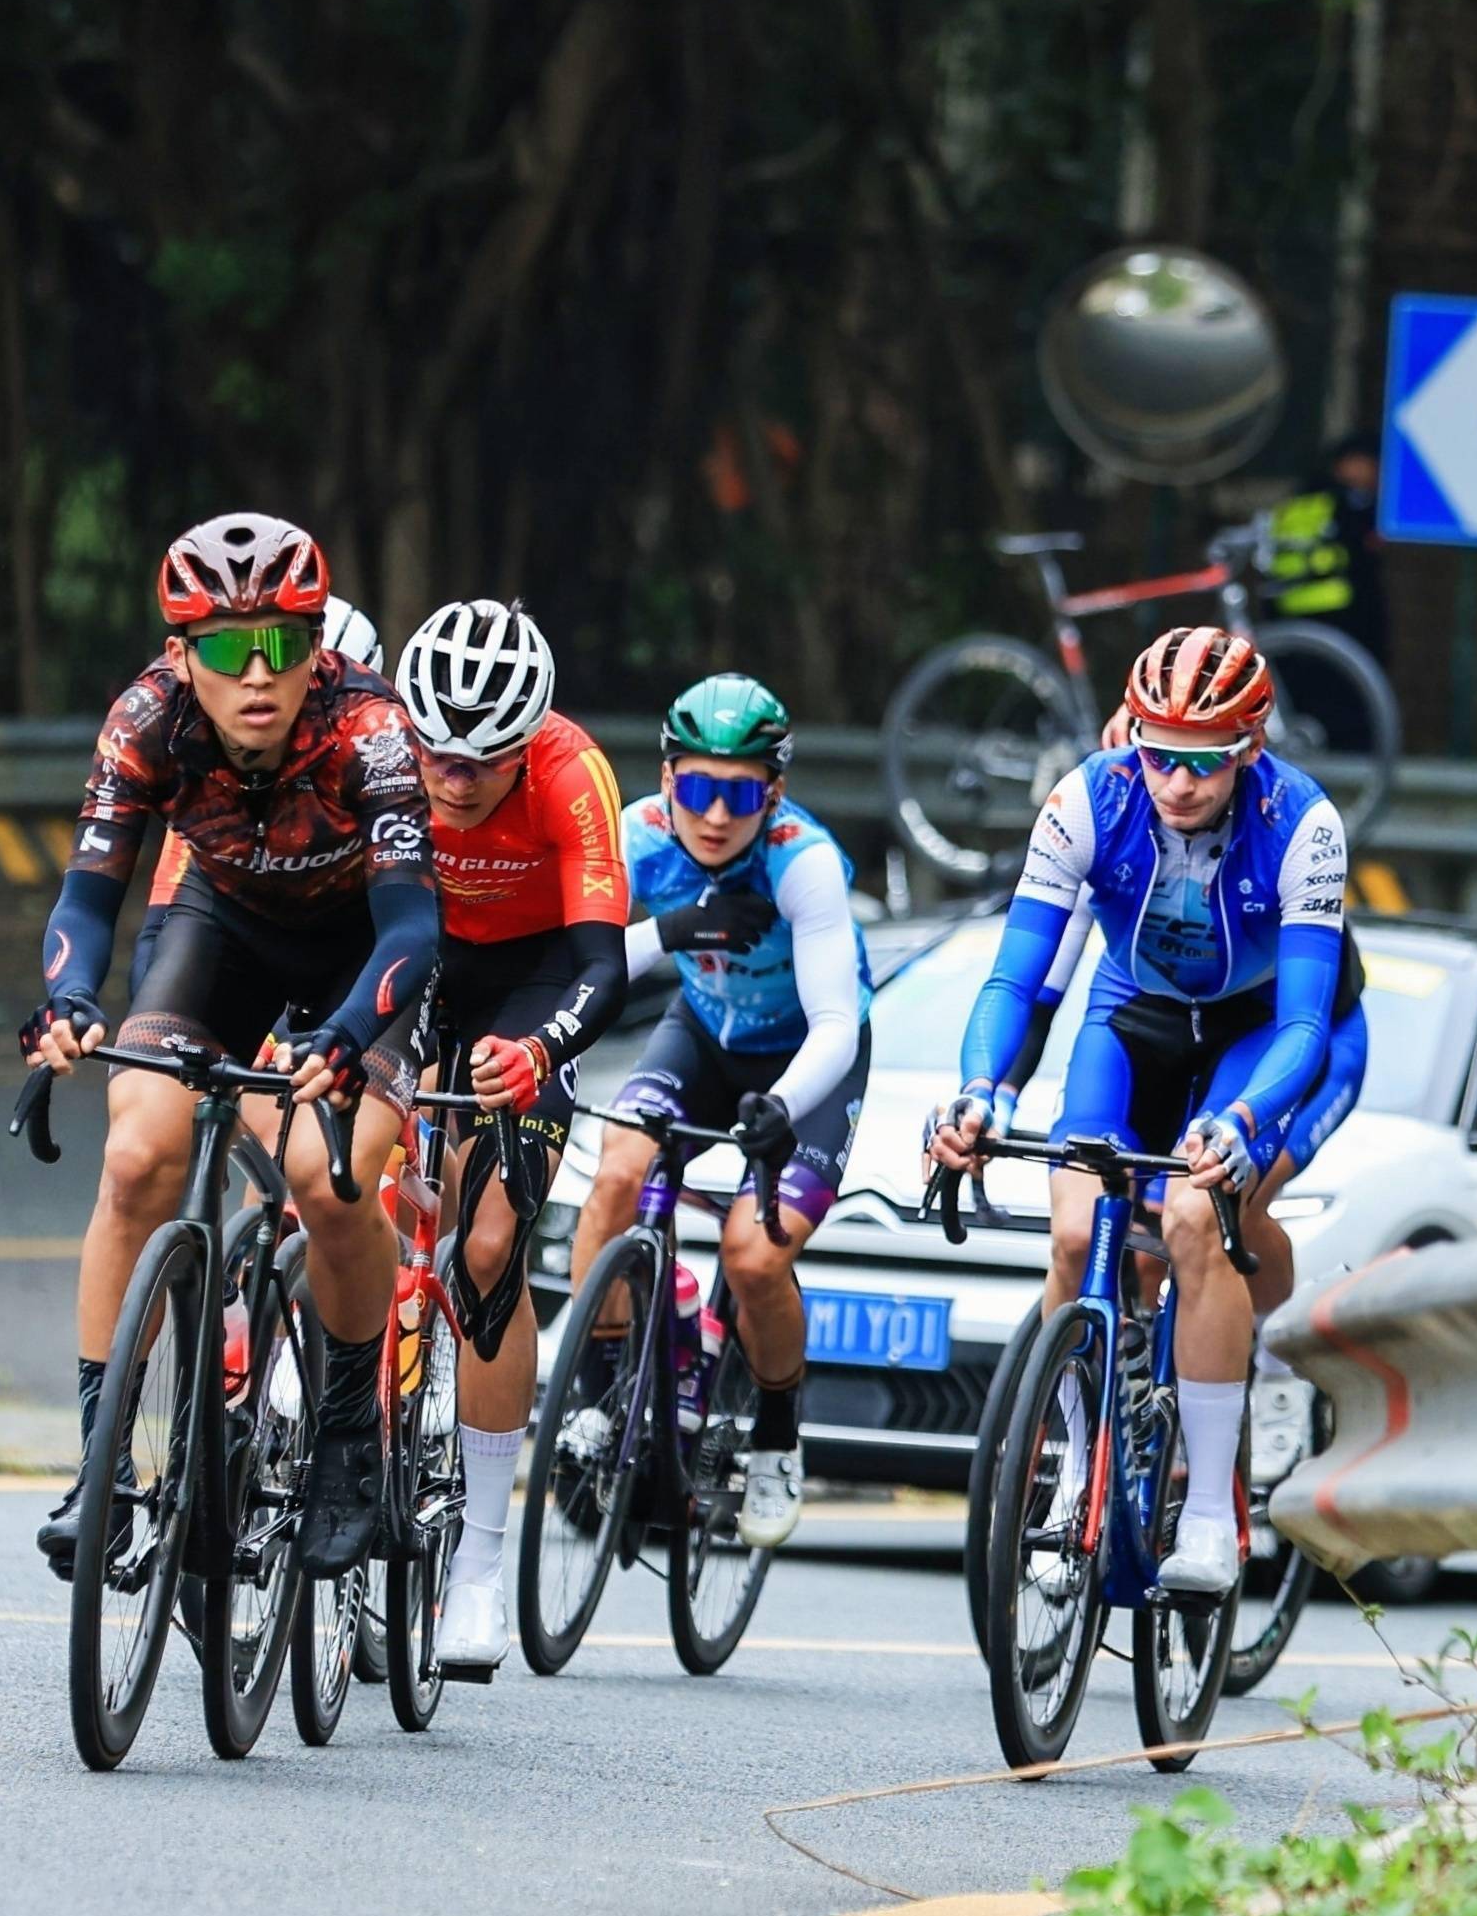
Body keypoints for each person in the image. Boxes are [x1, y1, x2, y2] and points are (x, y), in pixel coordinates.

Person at [23, 514, 437, 1583]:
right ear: (180, 654)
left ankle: (349, 1437)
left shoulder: (372, 730)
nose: (256, 674)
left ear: (318, 650)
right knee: (133, 1158)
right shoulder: (146, 720)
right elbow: (88, 892)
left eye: (283, 645)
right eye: (223, 648)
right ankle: (104, 1465)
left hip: (361, 950)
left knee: (329, 1174)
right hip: (224, 924)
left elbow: (410, 929)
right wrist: (68, 997)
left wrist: (350, 1034)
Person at [928, 625, 1357, 1596]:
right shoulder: (1087, 797)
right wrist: (976, 1090)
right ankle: (1077, 1464)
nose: (1177, 782)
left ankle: (1210, 1502)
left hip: (1265, 1032)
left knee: (1202, 1218)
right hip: (1140, 1017)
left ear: (1250, 748)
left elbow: (1304, 1025)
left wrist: (1244, 1120)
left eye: (1204, 762)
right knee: (1080, 1235)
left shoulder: (1305, 822)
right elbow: (1017, 979)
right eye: (1158, 754)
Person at [556, 674, 873, 1549]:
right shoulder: (636, 837)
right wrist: (672, 928)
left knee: (754, 1254)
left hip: (805, 1060)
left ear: (771, 793)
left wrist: (780, 1104)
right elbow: (575, 965)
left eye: (738, 793)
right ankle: (602, 1389)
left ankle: (775, 1438)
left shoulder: (799, 860)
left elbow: (838, 1026)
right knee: (617, 1172)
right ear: (667, 780)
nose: (715, 813)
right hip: (699, 1031)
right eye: (697, 786)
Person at [384, 598, 632, 1676]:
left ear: (525, 737)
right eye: (436, 752)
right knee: (351, 1177)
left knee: (487, 1251)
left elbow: (602, 965)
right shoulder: (385, 755)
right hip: (420, 960)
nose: (453, 777)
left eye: (482, 760)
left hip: (535, 982)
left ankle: (478, 1566)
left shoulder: (572, 772)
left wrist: (540, 1049)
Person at [1261, 436, 1387, 669]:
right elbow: (1364, 559)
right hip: (1343, 621)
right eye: (1370, 464)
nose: (1376, 474)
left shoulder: (1296, 502)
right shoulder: (1350, 502)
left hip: (1286, 620)